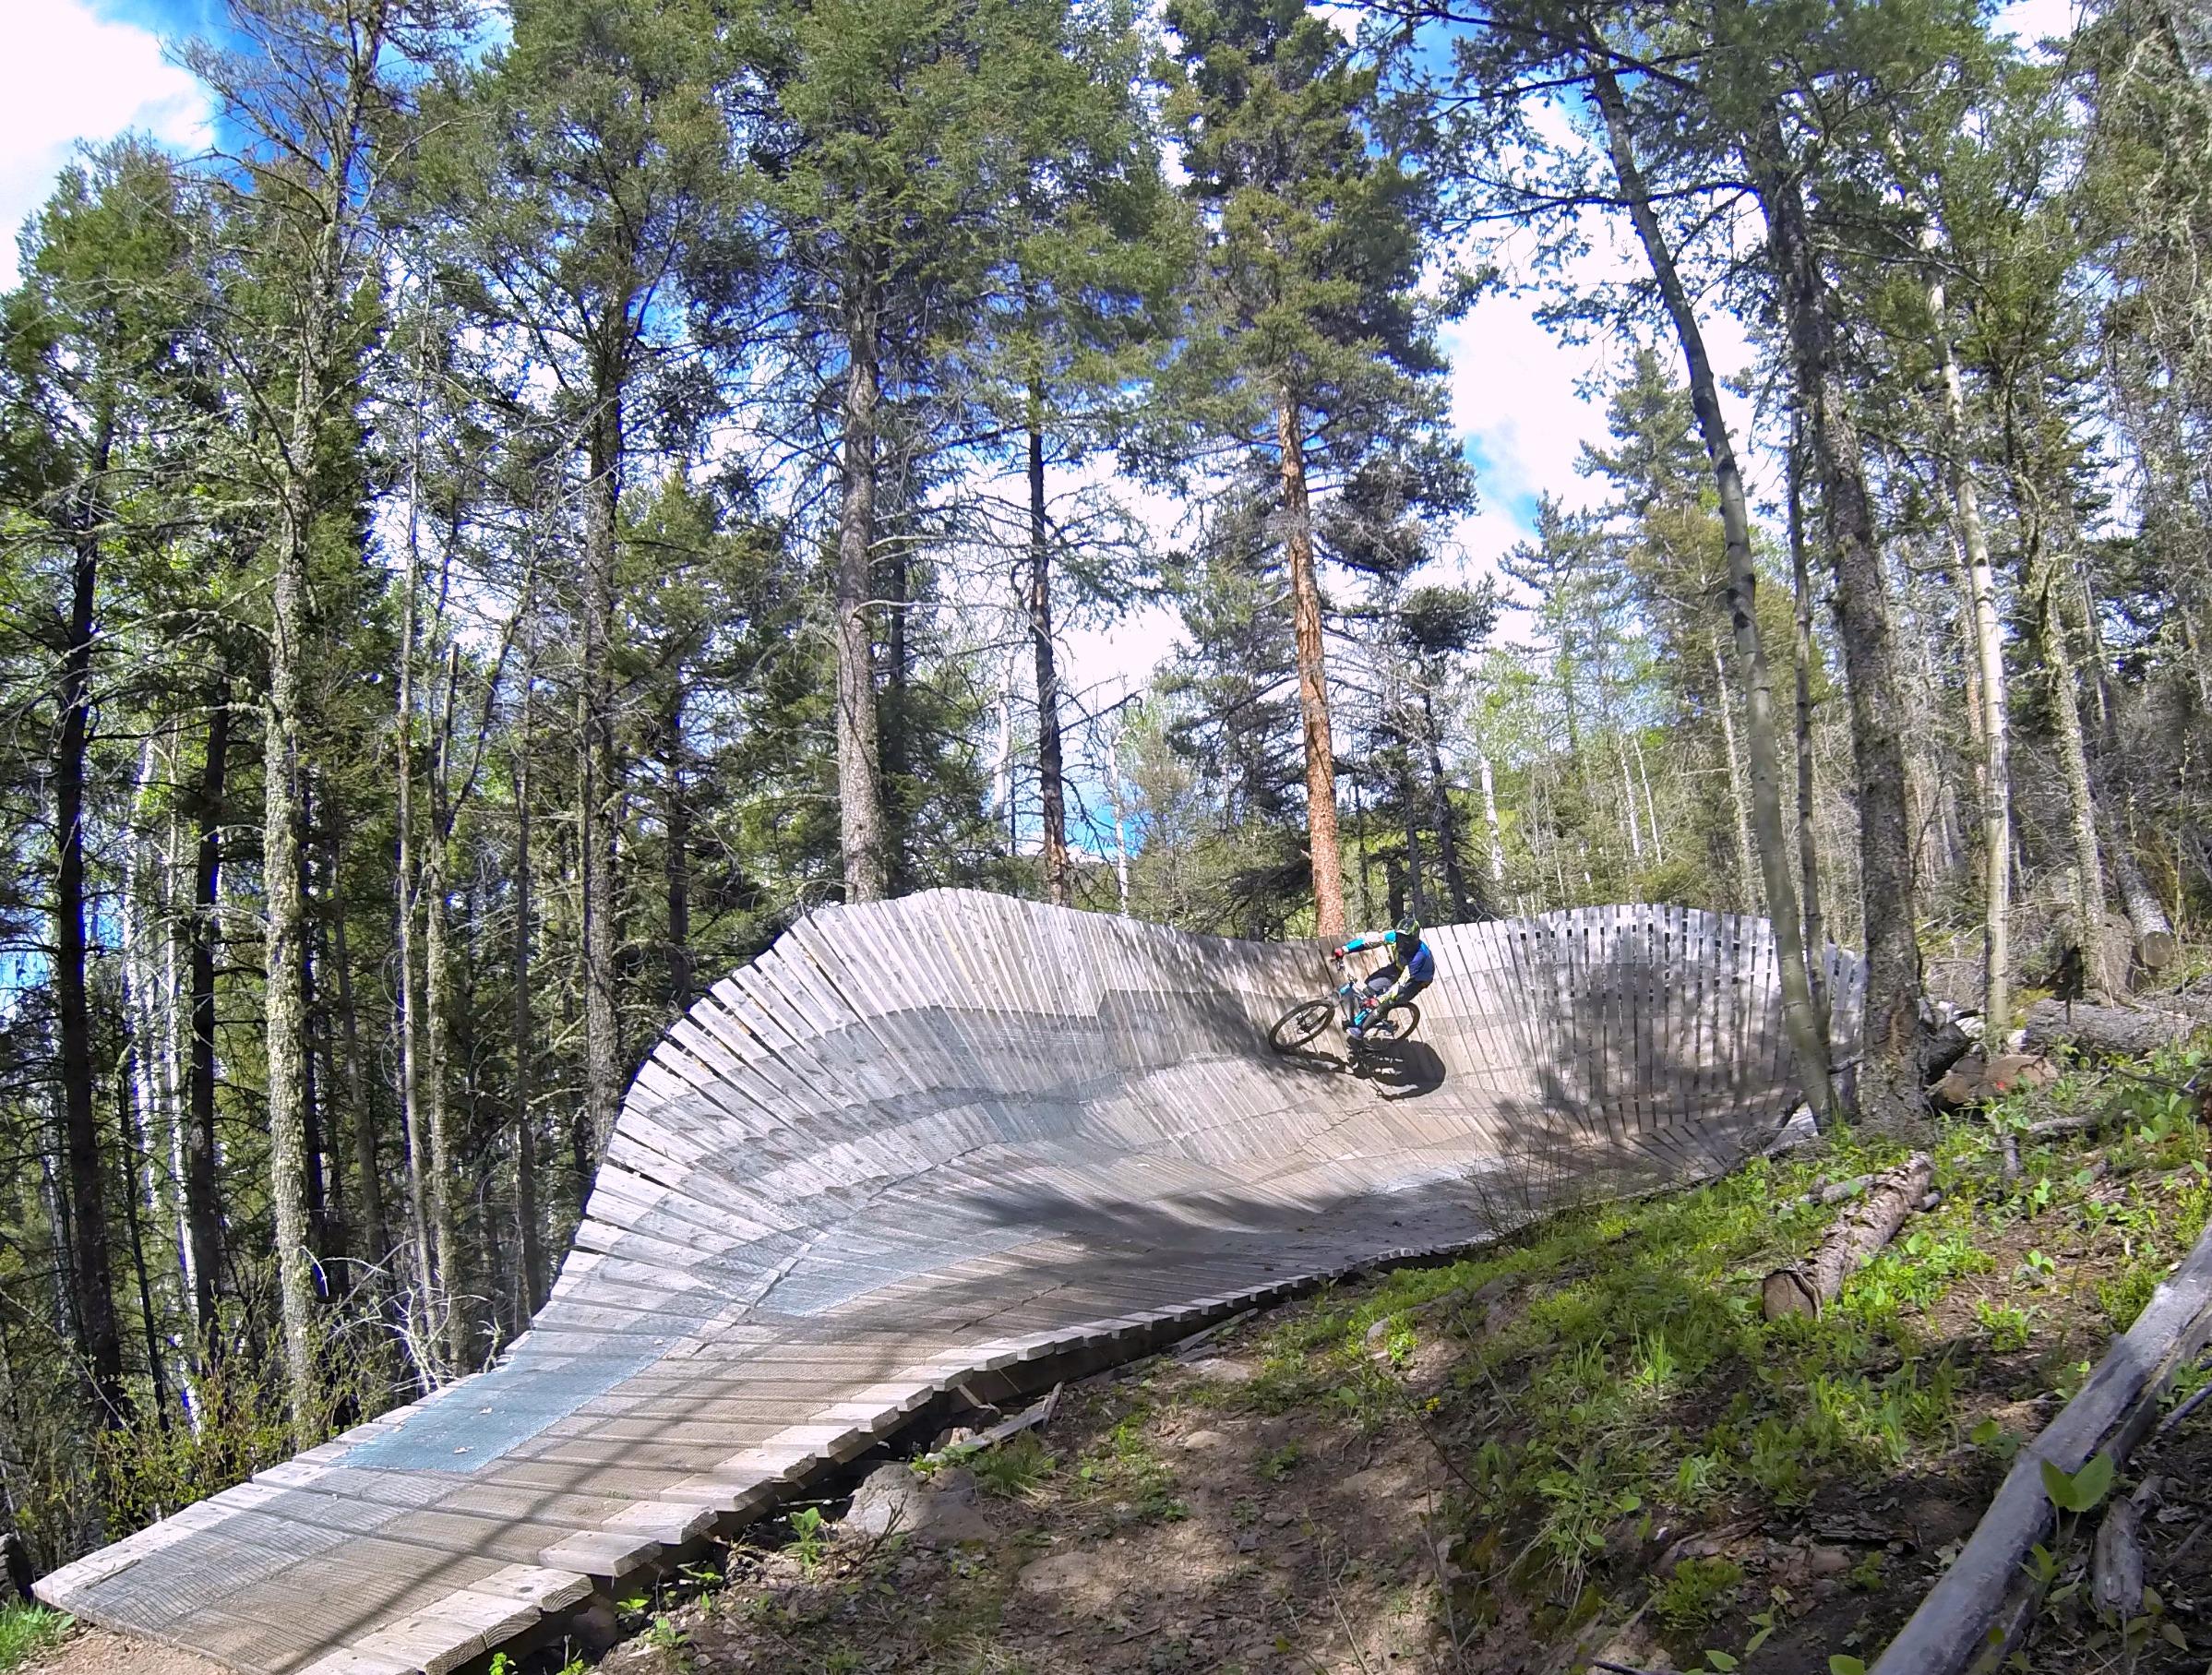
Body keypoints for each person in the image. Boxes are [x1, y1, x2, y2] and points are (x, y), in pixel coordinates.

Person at [1332, 914, 1435, 1046]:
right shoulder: (1393, 936)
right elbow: (1367, 941)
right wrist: (1345, 949)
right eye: (1399, 937)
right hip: (1399, 967)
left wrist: (1379, 1000)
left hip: (1417, 980)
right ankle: (1368, 1015)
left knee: (1388, 1001)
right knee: (1370, 986)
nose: (1401, 941)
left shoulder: (1419, 957)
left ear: (1413, 939)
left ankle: (1362, 1029)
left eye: (1405, 939)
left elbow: (1401, 985)